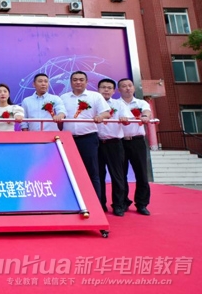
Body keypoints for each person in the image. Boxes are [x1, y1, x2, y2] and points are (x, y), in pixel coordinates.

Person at [60, 71, 111, 202]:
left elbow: (106, 113)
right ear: (71, 82)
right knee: (69, 171)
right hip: (68, 139)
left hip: (88, 138)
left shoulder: (95, 96)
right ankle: (71, 203)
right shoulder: (63, 98)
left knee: (92, 171)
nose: (78, 82)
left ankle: (95, 203)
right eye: (75, 80)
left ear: (86, 82)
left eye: (81, 80)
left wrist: (100, 116)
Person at [118, 78, 153, 216]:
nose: (127, 88)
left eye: (130, 85)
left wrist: (145, 116)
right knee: (121, 174)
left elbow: (147, 112)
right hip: (120, 142)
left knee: (141, 173)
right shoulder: (116, 104)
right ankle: (123, 202)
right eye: (124, 86)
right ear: (119, 89)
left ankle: (142, 204)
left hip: (137, 142)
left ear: (133, 88)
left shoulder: (141, 103)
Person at [97, 79, 130, 216]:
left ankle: (118, 205)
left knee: (117, 176)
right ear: (98, 89)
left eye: (109, 88)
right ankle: (100, 204)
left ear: (114, 91)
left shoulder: (119, 104)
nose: (106, 90)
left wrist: (125, 119)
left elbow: (127, 119)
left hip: (114, 143)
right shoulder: (93, 103)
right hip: (97, 143)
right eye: (103, 87)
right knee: (98, 176)